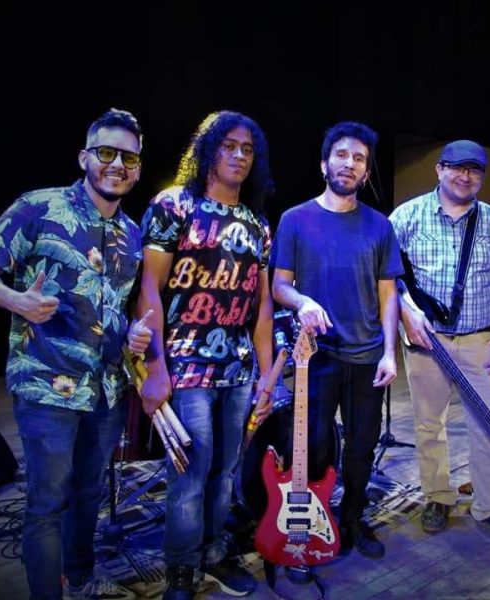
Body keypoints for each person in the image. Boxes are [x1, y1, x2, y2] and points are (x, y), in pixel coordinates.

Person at [0, 108, 150, 599]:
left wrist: (131, 335)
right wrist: (17, 300)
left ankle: (82, 579)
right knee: (46, 505)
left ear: (138, 168)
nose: (117, 164)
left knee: (89, 493)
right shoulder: (39, 207)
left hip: (107, 389)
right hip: (48, 383)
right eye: (106, 153)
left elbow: (111, 307)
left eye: (129, 157)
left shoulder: (132, 234)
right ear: (84, 157)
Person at [136, 110, 274, 599]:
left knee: (226, 472)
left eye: (247, 149)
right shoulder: (173, 205)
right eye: (228, 146)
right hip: (186, 362)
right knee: (191, 473)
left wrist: (266, 376)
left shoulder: (257, 224)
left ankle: (214, 552)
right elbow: (149, 291)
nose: (238, 156)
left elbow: (262, 308)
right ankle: (181, 567)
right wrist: (155, 368)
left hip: (238, 368)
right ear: (207, 149)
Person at [389, 140, 490, 543]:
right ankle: (437, 496)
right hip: (426, 340)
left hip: (479, 339)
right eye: (457, 167)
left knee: (489, 425)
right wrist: (406, 314)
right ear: (439, 169)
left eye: (474, 170)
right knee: (428, 424)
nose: (465, 176)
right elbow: (386, 278)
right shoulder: (406, 216)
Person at [271, 121, 403, 559]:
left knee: (362, 446)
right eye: (342, 155)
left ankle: (351, 520)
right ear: (324, 163)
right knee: (313, 446)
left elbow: (388, 294)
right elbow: (279, 286)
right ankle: (313, 521)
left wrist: (390, 353)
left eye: (359, 158)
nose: (350, 163)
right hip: (316, 356)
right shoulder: (295, 219)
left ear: (366, 171)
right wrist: (302, 301)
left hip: (367, 356)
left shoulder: (379, 226)